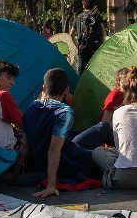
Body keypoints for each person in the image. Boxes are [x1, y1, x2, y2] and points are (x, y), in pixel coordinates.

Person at [23, 69, 113, 197]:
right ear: (66, 90)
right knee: (105, 150)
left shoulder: (31, 107)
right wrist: (51, 186)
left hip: (64, 152)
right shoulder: (64, 112)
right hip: (70, 163)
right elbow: (54, 150)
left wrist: (15, 174)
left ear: (43, 87)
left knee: (100, 129)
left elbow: (24, 145)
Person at [70, 0, 106, 71]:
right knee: (95, 69)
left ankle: (81, 82)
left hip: (82, 47)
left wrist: (77, 45)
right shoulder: (97, 16)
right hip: (95, 47)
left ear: (83, 6)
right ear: (93, 6)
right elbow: (103, 32)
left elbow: (71, 34)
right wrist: (102, 44)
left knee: (81, 70)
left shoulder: (78, 17)